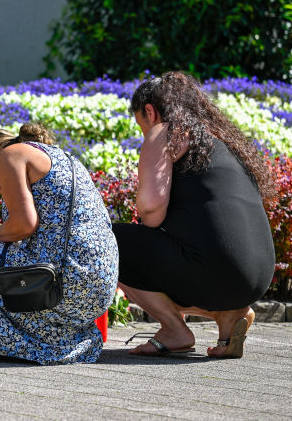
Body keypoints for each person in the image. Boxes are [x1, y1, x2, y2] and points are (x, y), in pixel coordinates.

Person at [114, 71, 276, 358]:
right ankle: (230, 318)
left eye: (141, 124)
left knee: (110, 241)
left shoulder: (165, 132)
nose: (144, 132)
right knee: (188, 254)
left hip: (217, 269)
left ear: (150, 111)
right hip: (258, 277)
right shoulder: (222, 138)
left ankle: (174, 329)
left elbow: (151, 212)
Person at [0, 122, 119, 364]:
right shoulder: (58, 156)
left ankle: (22, 343)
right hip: (97, 290)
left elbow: (24, 225)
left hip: (66, 284)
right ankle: (54, 340)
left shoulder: (11, 155)